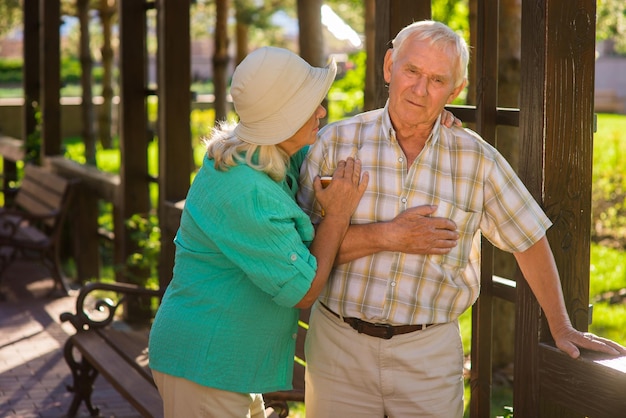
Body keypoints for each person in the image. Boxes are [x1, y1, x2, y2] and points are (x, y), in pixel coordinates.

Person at [297, 20, 626, 417]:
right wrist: (389, 235)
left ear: (455, 91)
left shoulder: (476, 158)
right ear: (389, 67)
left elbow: (529, 237)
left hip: (428, 356)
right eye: (411, 71)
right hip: (339, 346)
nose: (419, 90)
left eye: (437, 80)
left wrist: (561, 326)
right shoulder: (336, 143)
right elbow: (303, 250)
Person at [148, 46, 369, 418]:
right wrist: (338, 215)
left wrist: (425, 121)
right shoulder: (246, 192)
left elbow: (338, 138)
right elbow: (305, 289)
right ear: (283, 121)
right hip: (206, 367)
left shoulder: (260, 153)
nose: (322, 111)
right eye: (310, 106)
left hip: (224, 364)